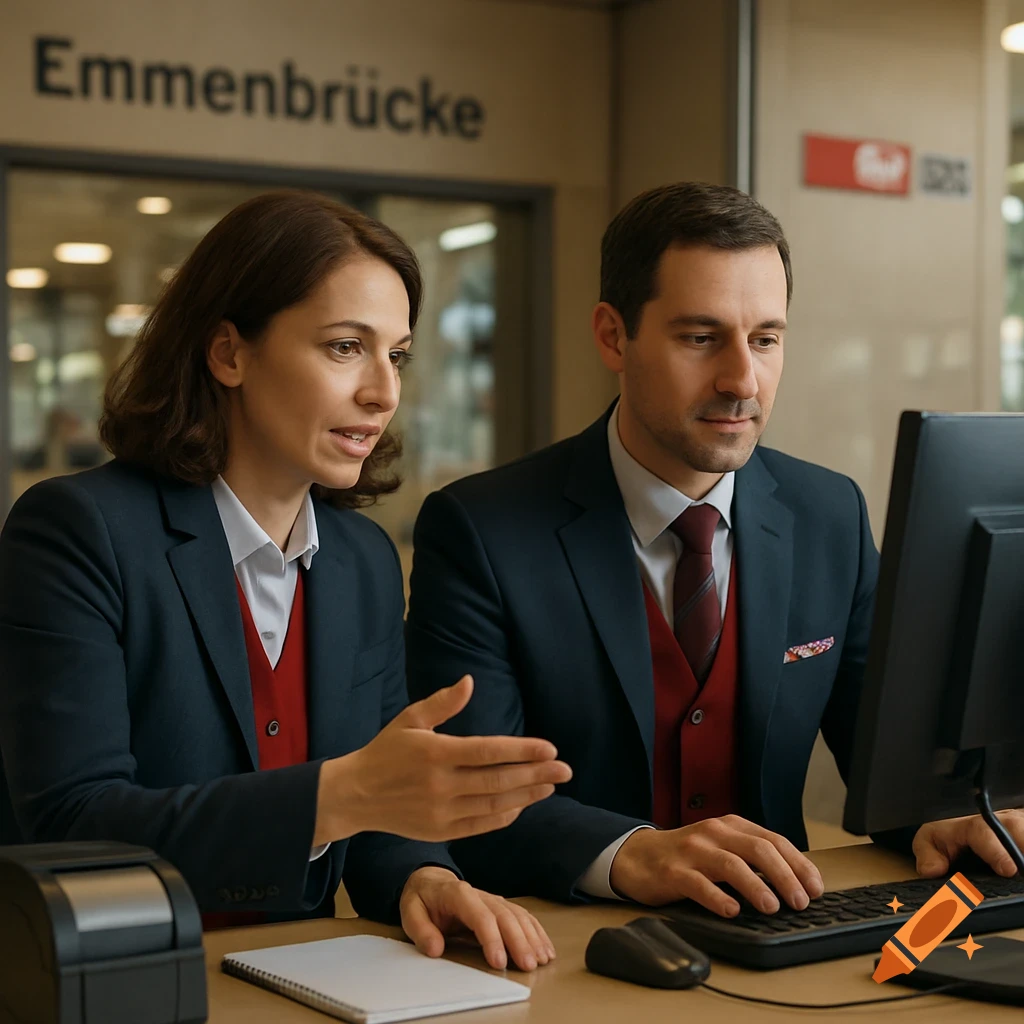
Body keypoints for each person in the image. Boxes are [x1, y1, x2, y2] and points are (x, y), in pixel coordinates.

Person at [406, 181, 1024, 918]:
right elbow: (465, 805)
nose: (741, 380)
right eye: (701, 338)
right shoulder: (482, 530)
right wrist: (631, 852)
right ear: (612, 335)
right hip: (573, 949)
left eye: (765, 339)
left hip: (785, 931)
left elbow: (885, 766)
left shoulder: (829, 514)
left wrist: (939, 813)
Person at [0, 191, 569, 972]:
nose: (383, 391)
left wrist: (421, 874)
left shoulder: (363, 560)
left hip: (300, 974)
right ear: (228, 352)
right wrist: (339, 796)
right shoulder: (76, 530)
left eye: (396, 355)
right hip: (117, 980)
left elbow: (374, 813)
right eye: (344, 347)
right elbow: (72, 826)